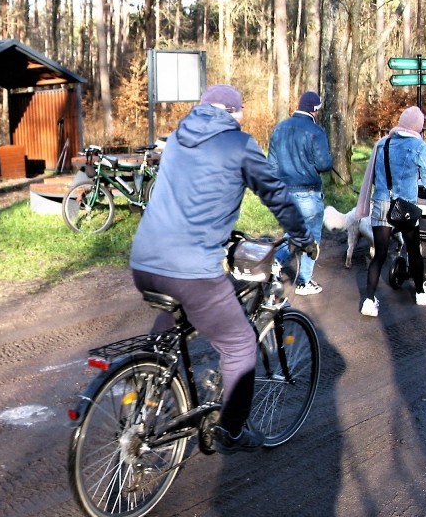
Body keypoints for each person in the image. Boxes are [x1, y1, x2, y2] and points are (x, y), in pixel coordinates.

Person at [130, 84, 318, 454]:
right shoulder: (239, 144)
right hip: (190, 269)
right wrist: (301, 234)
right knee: (239, 343)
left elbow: (186, 194)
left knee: (176, 315)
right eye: (241, 112)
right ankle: (231, 430)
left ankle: (142, 388)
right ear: (233, 112)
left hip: (144, 260)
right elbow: (275, 194)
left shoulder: (178, 138)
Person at [358, 106, 426, 317]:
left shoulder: (382, 144)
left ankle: (368, 301)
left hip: (382, 204)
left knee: (380, 254)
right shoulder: (418, 146)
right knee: (413, 250)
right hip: (406, 208)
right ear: (418, 127)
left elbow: (373, 176)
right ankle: (420, 293)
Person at [268, 91, 333, 296]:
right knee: (309, 237)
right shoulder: (316, 131)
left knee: (293, 233)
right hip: (308, 193)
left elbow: (271, 165)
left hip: (285, 193)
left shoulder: (279, 128)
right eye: (318, 110)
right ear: (314, 110)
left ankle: (275, 262)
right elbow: (324, 164)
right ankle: (303, 281)